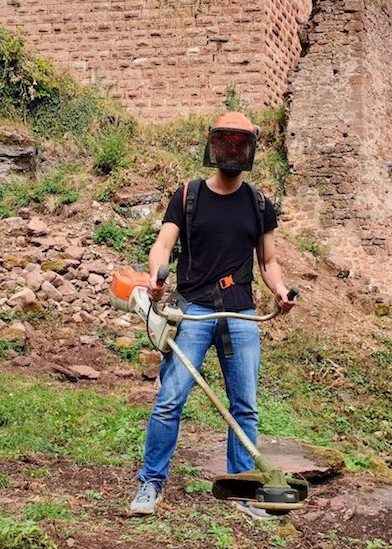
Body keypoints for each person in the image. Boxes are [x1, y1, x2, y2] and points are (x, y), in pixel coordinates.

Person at [129, 111, 297, 519]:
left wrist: (279, 290)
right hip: (193, 311)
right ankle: (151, 482)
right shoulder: (188, 196)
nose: (233, 150)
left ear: (251, 148)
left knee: (245, 406)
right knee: (170, 400)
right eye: (226, 142)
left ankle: (241, 489)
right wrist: (156, 276)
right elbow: (163, 245)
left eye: (241, 143)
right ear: (212, 144)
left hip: (240, 313)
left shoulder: (259, 205)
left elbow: (269, 260)